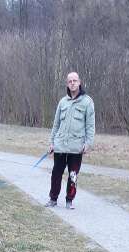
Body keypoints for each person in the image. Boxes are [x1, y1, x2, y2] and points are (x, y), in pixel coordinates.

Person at [46, 71, 95, 210]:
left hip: (76, 147)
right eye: (70, 81)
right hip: (60, 146)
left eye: (75, 80)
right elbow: (56, 124)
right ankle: (53, 199)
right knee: (56, 173)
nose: (72, 83)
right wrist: (52, 142)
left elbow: (90, 126)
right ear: (67, 84)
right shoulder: (63, 102)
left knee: (73, 175)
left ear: (79, 82)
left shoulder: (87, 102)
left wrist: (88, 143)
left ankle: (69, 200)